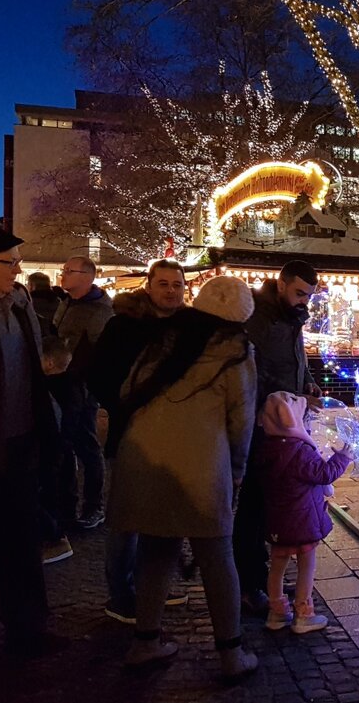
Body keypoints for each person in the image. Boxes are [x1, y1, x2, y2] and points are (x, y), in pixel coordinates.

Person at [107, 275, 258, 679]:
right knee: (217, 558)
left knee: (155, 551)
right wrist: (237, 475)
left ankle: (145, 642)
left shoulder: (164, 338)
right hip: (201, 469)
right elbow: (241, 422)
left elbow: (126, 391)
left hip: (144, 458)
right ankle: (231, 654)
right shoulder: (236, 351)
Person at [0, 227, 66, 656]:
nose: (19, 270)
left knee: (21, 541)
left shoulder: (19, 302)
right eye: (11, 262)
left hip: (19, 442)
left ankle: (27, 628)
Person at [89, 259, 189, 624]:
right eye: (163, 284)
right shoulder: (123, 326)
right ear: (149, 286)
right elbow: (98, 375)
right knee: (126, 520)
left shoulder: (187, 328)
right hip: (131, 436)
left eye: (176, 284)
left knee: (160, 519)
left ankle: (153, 586)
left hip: (173, 439)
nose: (170, 291)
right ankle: (120, 594)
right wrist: (125, 407)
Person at [237, 260, 322, 615]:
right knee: (255, 506)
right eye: (300, 293)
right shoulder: (260, 317)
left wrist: (306, 383)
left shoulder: (289, 317)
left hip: (285, 424)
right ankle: (249, 583)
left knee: (278, 503)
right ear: (282, 284)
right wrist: (299, 398)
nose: (304, 301)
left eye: (309, 296)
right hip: (265, 425)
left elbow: (292, 361)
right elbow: (259, 375)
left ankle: (268, 578)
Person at [257, 391, 353, 632]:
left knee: (277, 565)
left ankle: (276, 613)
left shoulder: (265, 449)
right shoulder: (300, 451)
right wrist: (342, 458)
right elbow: (324, 474)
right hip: (303, 521)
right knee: (306, 565)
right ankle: (303, 613)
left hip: (277, 520)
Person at [54, 255, 113, 529]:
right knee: (65, 443)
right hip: (63, 384)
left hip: (83, 387)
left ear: (88, 277)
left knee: (87, 446)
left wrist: (87, 381)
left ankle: (94, 506)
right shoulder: (68, 303)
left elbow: (103, 354)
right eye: (64, 270)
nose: (63, 274)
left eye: (69, 271)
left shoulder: (99, 311)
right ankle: (66, 503)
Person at [39, 336, 74, 565]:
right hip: (55, 454)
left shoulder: (50, 389)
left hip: (48, 454)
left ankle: (55, 538)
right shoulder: (63, 387)